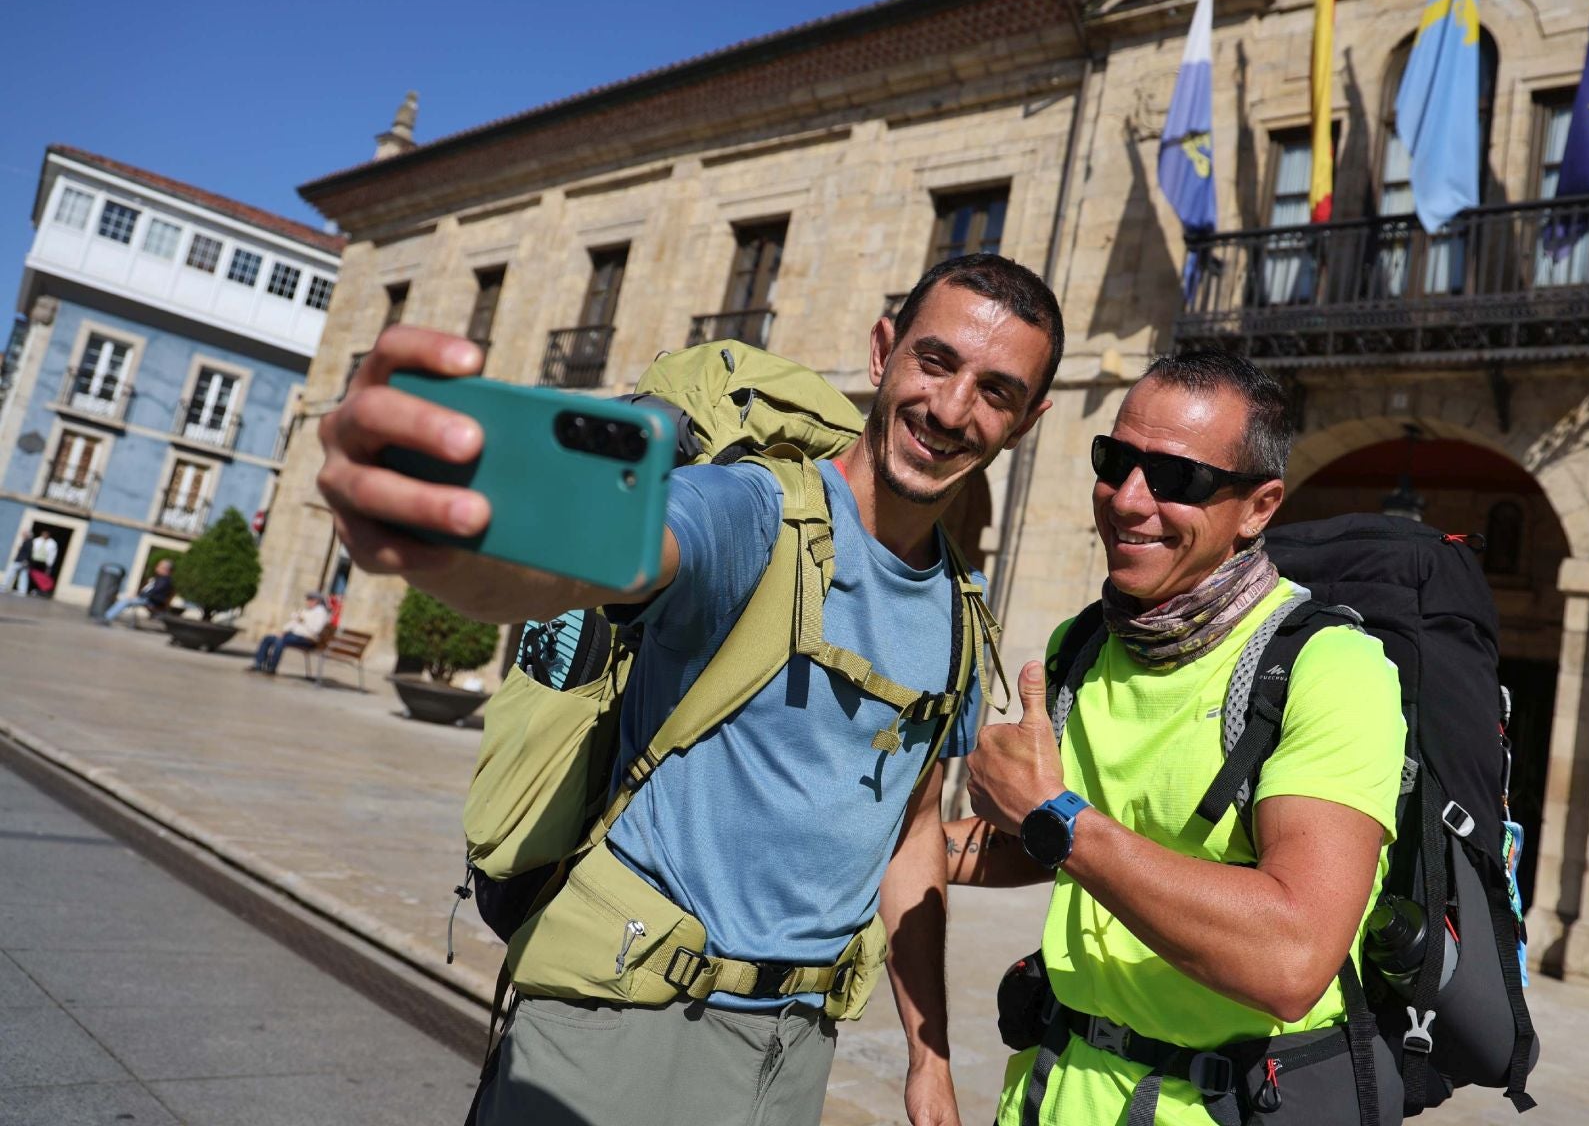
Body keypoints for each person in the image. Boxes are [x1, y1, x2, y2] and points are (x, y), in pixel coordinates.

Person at [314, 252, 1063, 1126]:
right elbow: (615, 553)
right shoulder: (753, 512)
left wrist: (928, 1058)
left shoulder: (958, 619)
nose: (951, 408)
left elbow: (910, 830)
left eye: (996, 391)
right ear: (882, 352)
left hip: (793, 1051)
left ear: (1028, 420)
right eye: (934, 362)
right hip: (618, 1022)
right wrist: (450, 544)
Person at [950, 350, 1407, 1126]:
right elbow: (1057, 847)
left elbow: (1292, 957)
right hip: (1053, 1086)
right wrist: (880, 844)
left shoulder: (1329, 668)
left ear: (1258, 508)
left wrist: (1053, 812)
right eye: (1117, 461)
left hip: (1228, 1103)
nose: (1129, 500)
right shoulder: (1084, 645)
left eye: (1176, 479)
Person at [247, 591, 331, 675]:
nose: (308, 601)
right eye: (308, 599)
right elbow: (293, 623)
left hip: (307, 639)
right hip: (294, 635)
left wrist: (303, 621)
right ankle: (258, 664)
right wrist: (283, 631)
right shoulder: (306, 610)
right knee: (267, 638)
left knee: (280, 641)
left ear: (318, 601)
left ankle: (271, 667)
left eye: (311, 599)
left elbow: (316, 630)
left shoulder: (321, 613)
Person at [102, 559, 175, 626]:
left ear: (166, 569)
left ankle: (106, 618)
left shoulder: (165, 581)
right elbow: (149, 590)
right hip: (147, 599)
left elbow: (153, 592)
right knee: (124, 598)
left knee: (125, 601)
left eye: (159, 566)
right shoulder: (159, 579)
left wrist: (138, 595)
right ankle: (107, 616)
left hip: (152, 601)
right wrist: (137, 594)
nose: (157, 567)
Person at [26, 527, 59, 597]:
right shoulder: (36, 540)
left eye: (46, 534)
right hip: (34, 561)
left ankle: (38, 591)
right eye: (44, 534)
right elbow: (31, 549)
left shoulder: (52, 543)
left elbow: (53, 554)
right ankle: (29, 588)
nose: (45, 535)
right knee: (31, 575)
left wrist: (50, 564)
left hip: (43, 563)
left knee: (41, 577)